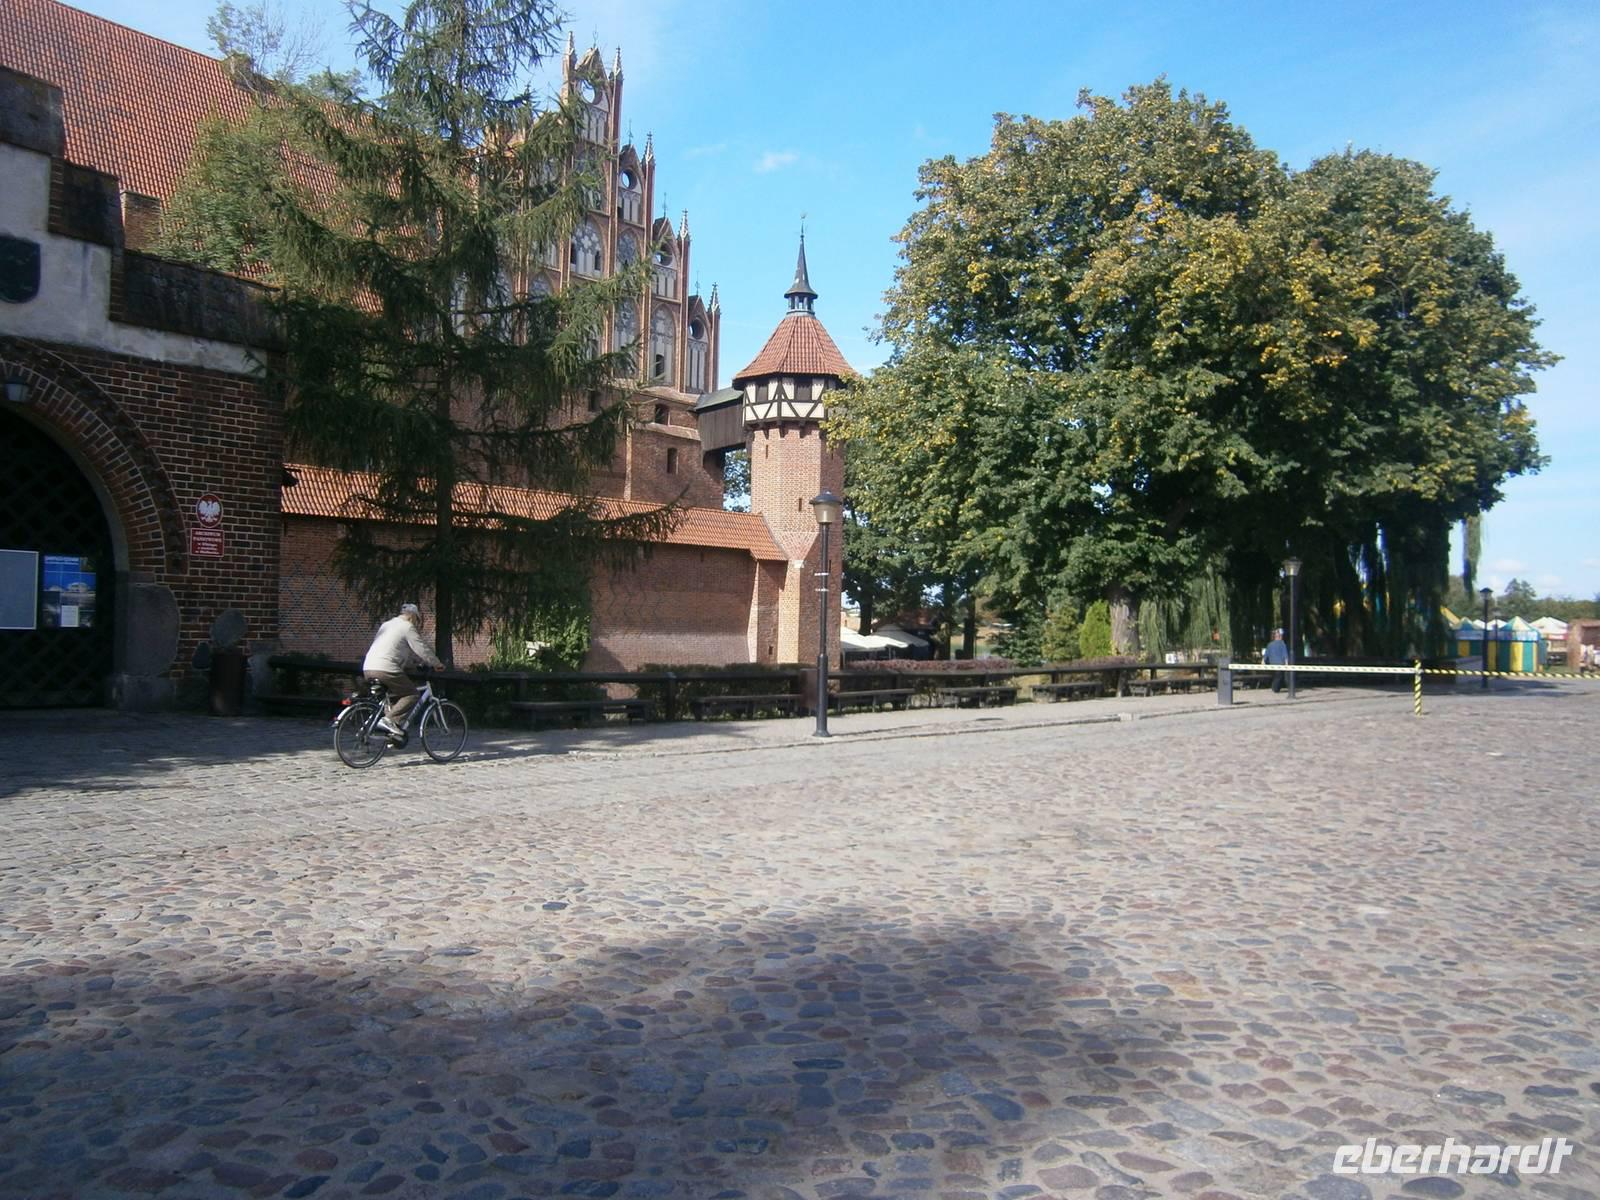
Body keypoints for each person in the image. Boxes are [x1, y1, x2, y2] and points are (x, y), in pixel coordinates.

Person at [362, 603, 444, 740]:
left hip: (369, 667)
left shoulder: (386, 625)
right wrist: (436, 663)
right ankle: (388, 720)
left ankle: (392, 735)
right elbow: (421, 649)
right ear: (412, 617)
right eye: (417, 620)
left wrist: (412, 664)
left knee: (395, 698)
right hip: (386, 668)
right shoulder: (407, 627)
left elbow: (394, 649)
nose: (417, 623)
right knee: (411, 695)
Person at [1263, 627, 1290, 693]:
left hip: (1272, 664)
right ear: (1279, 636)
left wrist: (1263, 662)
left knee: (1277, 676)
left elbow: (1266, 655)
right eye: (1281, 635)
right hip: (1280, 664)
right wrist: (1286, 664)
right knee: (1279, 677)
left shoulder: (1269, 644)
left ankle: (1276, 688)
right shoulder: (1282, 644)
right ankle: (1275, 688)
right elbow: (1285, 654)